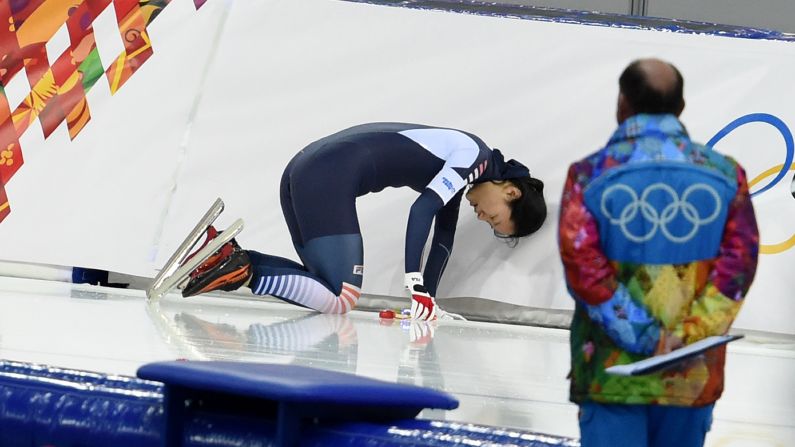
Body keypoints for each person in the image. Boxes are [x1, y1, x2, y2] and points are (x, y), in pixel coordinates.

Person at [558, 59, 759, 446]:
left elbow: (584, 269)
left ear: (622, 103)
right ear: (681, 107)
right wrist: (688, 337)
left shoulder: (589, 174)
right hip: (690, 376)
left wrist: (647, 337)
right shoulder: (725, 173)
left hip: (611, 374)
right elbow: (739, 268)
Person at [183, 122, 546, 320]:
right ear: (511, 192)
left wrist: (429, 302)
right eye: (494, 217)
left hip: (310, 167)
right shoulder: (476, 157)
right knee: (341, 298)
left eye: (487, 223)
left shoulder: (469, 174)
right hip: (328, 173)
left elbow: (442, 239)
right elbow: (421, 211)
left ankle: (223, 254)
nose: (481, 216)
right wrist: (415, 284)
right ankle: (241, 270)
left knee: (323, 286)